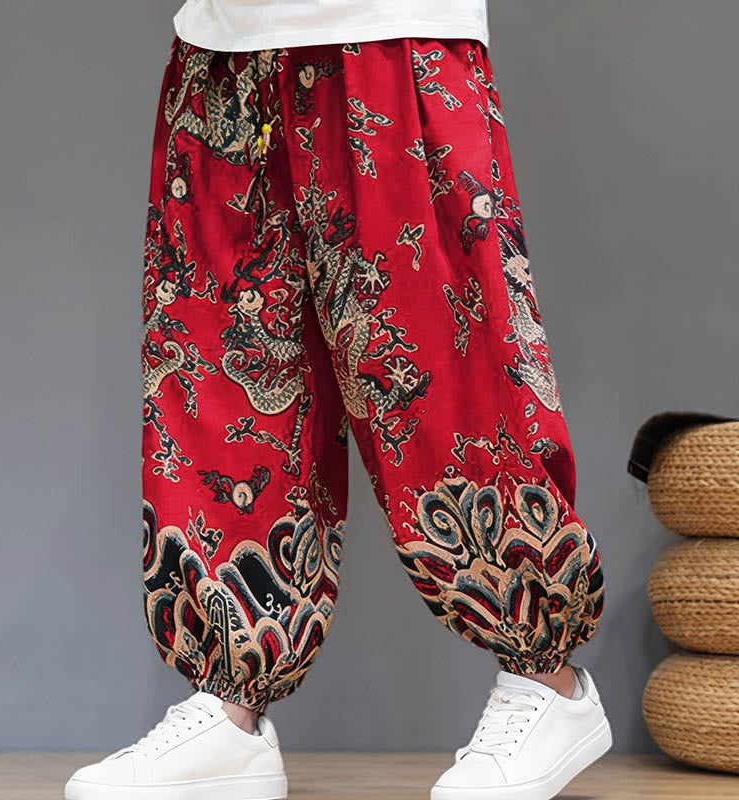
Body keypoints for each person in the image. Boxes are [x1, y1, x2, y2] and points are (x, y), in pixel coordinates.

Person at [65, 1, 611, 798]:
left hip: (386, 34)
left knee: (441, 371)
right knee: (221, 378)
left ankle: (549, 684)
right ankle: (229, 716)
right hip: (223, 45)